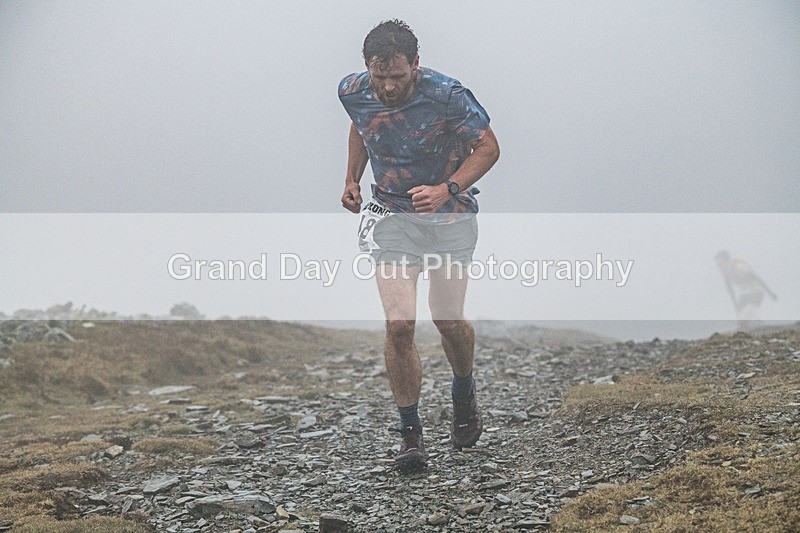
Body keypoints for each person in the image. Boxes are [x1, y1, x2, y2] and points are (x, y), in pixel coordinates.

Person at [338, 20, 500, 470]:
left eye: (397, 76)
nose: (388, 87)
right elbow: (362, 125)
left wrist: (447, 188)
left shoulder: (447, 94)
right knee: (399, 324)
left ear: (415, 64)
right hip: (391, 215)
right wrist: (351, 179)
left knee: (447, 319)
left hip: (450, 215)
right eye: (379, 76)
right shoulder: (353, 90)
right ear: (367, 67)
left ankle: (463, 392)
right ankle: (411, 435)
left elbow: (489, 148)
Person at [715, 250, 777, 330]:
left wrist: (770, 293)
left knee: (744, 317)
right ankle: (759, 325)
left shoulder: (738, 266)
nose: (718, 264)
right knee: (741, 317)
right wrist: (736, 304)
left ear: (725, 260)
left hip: (756, 292)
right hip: (744, 295)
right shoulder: (725, 272)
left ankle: (761, 328)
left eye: (719, 261)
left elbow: (756, 277)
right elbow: (730, 290)